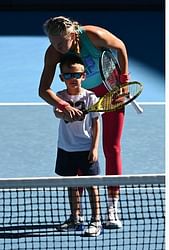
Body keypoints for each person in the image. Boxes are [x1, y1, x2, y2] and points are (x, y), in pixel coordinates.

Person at [40, 16, 127, 229]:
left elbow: (121, 47)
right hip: (80, 99)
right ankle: (76, 213)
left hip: (110, 92)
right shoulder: (53, 54)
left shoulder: (92, 35)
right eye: (53, 43)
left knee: (111, 147)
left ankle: (112, 207)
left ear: (71, 35)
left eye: (61, 43)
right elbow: (43, 90)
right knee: (80, 151)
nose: (58, 48)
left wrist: (123, 83)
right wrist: (63, 104)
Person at [54, 54, 101, 237]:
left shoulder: (92, 98)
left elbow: (96, 123)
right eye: (67, 75)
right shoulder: (59, 97)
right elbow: (58, 113)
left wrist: (95, 148)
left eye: (76, 75)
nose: (72, 79)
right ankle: (75, 218)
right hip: (66, 148)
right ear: (62, 78)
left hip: (86, 148)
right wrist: (65, 112)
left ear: (84, 76)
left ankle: (96, 220)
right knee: (71, 185)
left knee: (92, 185)